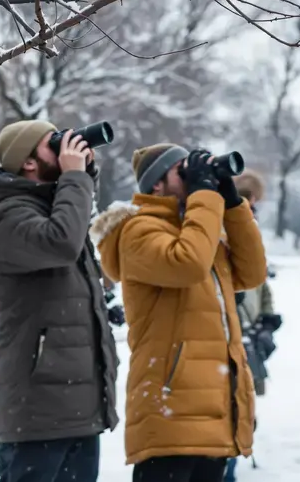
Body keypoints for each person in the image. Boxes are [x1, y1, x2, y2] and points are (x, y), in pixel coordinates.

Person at [91, 144, 266, 482]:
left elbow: (252, 272)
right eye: (182, 170)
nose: (194, 176)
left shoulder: (199, 229)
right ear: (156, 183)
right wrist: (204, 195)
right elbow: (188, 264)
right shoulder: (139, 231)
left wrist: (232, 204)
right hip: (169, 409)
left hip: (214, 410)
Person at [0, 120, 120, 482]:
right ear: (29, 161)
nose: (65, 148)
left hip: (79, 408)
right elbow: (60, 242)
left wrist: (82, 175)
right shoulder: (7, 215)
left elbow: (70, 225)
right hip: (38, 412)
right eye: (54, 144)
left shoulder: (53, 209)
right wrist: (75, 177)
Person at [225, 172, 277, 482]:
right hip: (232, 329)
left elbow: (262, 281)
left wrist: (268, 316)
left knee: (244, 401)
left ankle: (233, 459)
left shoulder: (250, 226)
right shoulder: (227, 224)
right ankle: (227, 468)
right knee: (232, 405)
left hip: (250, 329)